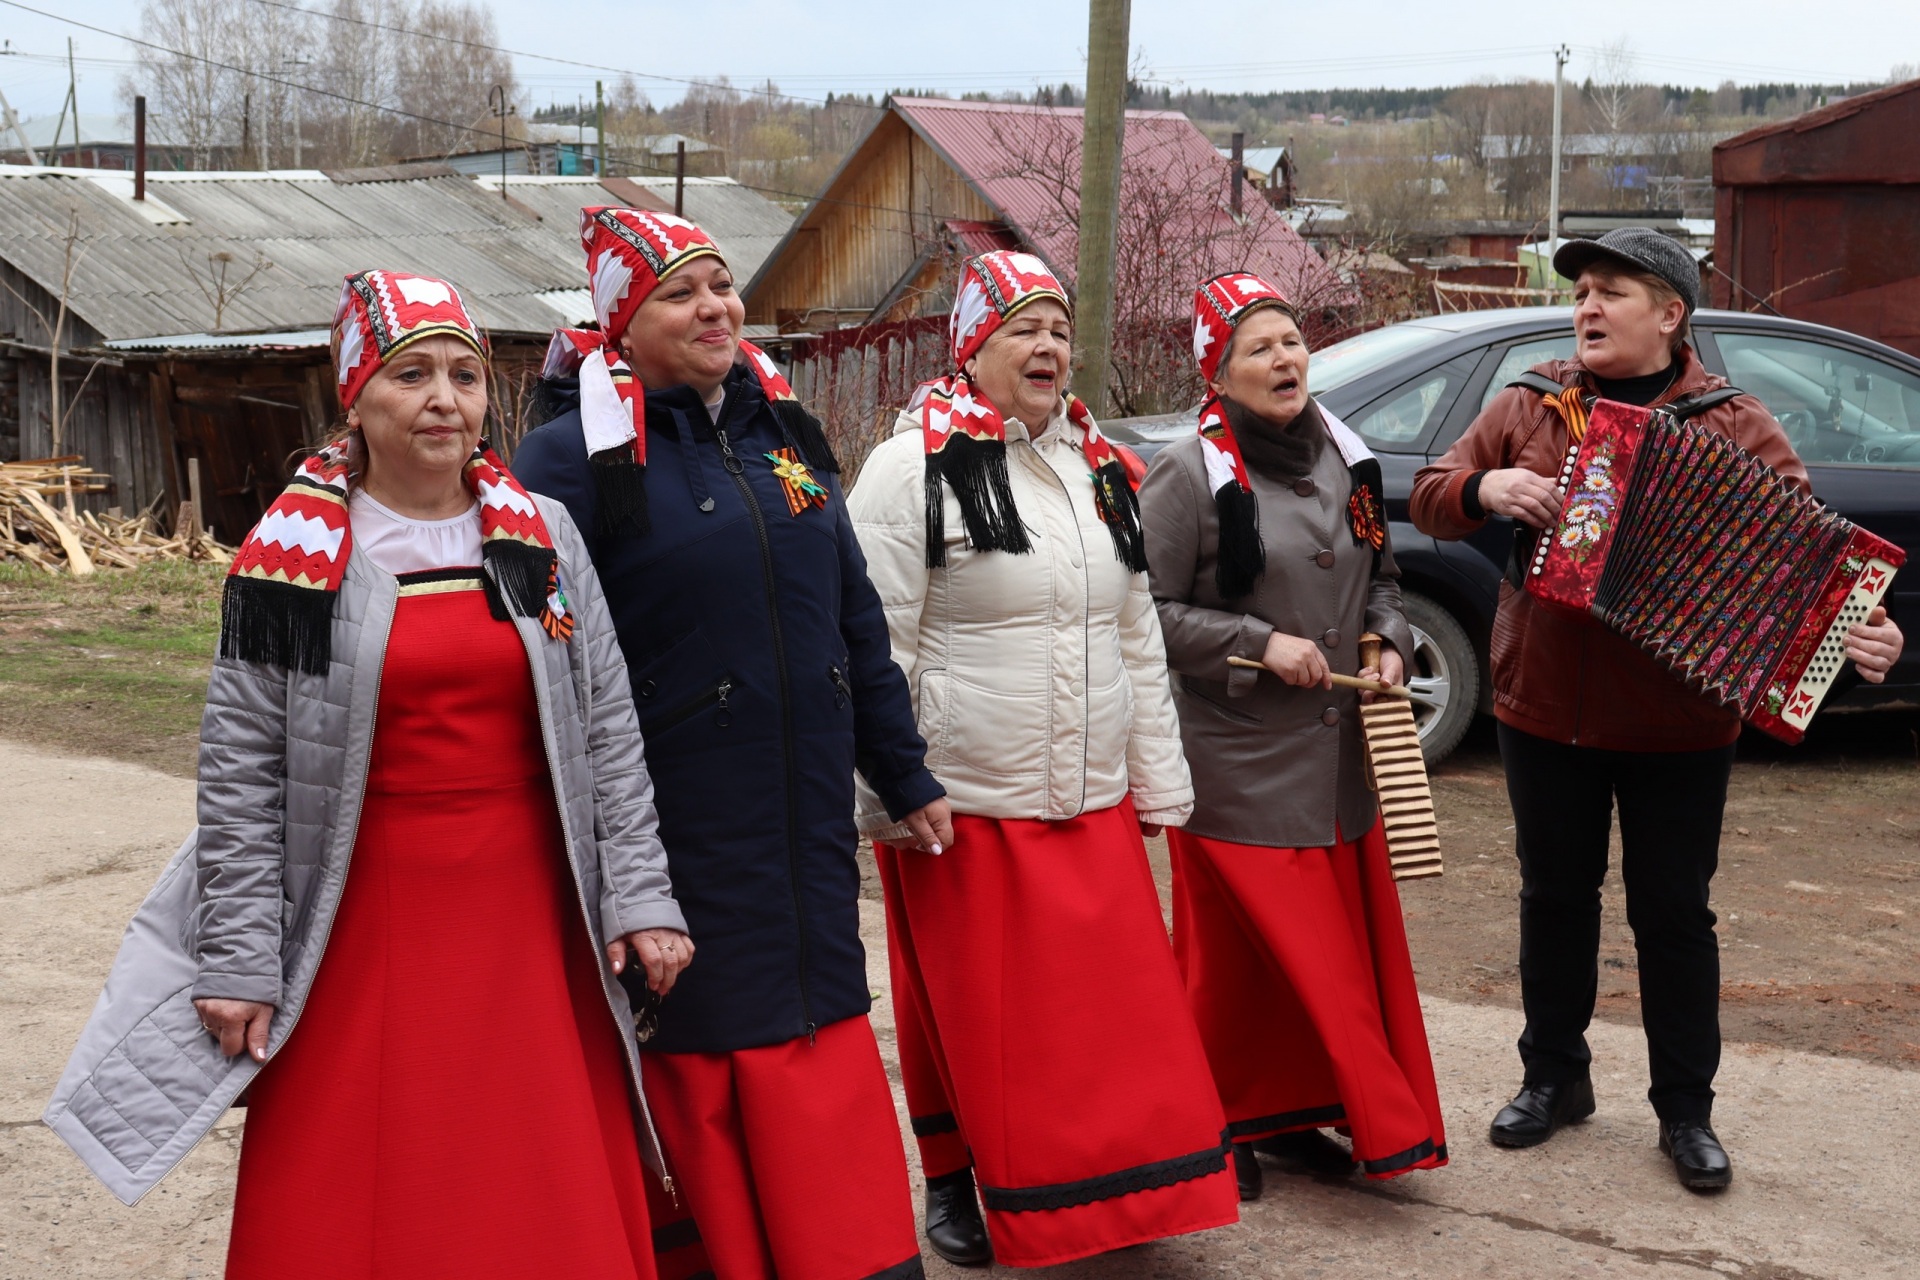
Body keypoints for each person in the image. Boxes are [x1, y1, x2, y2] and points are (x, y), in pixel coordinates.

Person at [44, 271, 691, 1277]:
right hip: (365, 913)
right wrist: (240, 956)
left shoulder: (543, 536)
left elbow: (608, 727)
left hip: (530, 914)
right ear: (356, 393)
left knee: (535, 1171)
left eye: (465, 375)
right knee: (380, 1176)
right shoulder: (290, 560)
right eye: (411, 374)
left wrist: (641, 894)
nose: (444, 398)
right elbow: (244, 775)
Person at [1410, 228, 1906, 1190]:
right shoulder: (1527, 403)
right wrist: (1487, 485)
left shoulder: (1737, 423)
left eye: (1612, 292)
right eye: (1583, 292)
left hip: (1680, 726)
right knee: (1554, 899)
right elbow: (1431, 497)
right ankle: (1553, 1079)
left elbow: (1806, 560)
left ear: (1670, 315)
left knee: (1674, 916)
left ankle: (1686, 1111)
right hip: (1544, 706)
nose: (1587, 307)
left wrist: (1861, 630)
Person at [512, 209, 949, 1280]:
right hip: (678, 809)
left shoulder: (781, 431)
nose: (714, 307)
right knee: (715, 1022)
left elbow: (853, 612)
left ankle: (845, 1250)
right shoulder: (569, 459)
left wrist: (901, 768)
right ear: (622, 320)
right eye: (680, 292)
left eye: (721, 284)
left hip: (800, 801)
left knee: (818, 1007)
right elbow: (546, 662)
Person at [846, 250, 1239, 1269]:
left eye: (1059, 328)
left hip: (1087, 791)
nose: (1047, 346)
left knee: (1103, 1021)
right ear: (971, 346)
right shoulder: (909, 468)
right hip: (962, 799)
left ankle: (1106, 1195)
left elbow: (1136, 634)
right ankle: (952, 1180)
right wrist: (893, 785)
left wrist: (1160, 775)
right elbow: (866, 639)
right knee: (968, 1021)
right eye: (1021, 326)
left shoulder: (1099, 466)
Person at [1135, 271, 1448, 1202]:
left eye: (1292, 341)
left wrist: (1385, 645)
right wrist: (1254, 643)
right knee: (1234, 968)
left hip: (1340, 764)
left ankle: (1289, 1109)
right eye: (1259, 348)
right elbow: (1144, 616)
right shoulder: (1186, 472)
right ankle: (1207, 1122)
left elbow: (1384, 584)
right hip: (1234, 765)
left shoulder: (1350, 459)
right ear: (1219, 375)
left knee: (1318, 961)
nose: (1285, 359)